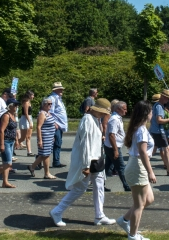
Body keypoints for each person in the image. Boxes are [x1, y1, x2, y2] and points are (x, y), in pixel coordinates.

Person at [49, 98, 115, 227]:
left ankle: (99, 216)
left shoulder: (96, 119)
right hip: (88, 160)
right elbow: (85, 144)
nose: (104, 115)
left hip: (96, 159)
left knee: (99, 186)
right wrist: (86, 165)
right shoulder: (88, 120)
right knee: (80, 188)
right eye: (103, 113)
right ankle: (57, 211)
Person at [117, 100, 156, 240]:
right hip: (138, 167)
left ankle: (124, 220)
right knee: (139, 204)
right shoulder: (141, 130)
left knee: (149, 199)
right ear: (147, 113)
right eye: (151, 111)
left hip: (137, 166)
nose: (152, 114)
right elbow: (143, 152)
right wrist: (150, 171)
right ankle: (133, 235)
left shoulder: (140, 128)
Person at [0, 98, 19, 190]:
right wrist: (1, 144)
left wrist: (16, 140)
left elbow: (14, 130)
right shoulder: (6, 116)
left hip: (11, 141)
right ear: (10, 106)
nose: (17, 107)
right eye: (15, 105)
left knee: (6, 163)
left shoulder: (13, 115)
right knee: (8, 164)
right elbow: (1, 131)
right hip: (5, 141)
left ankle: (5, 182)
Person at [148, 89, 169, 176]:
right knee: (165, 149)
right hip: (158, 131)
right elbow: (159, 120)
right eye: (167, 98)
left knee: (155, 149)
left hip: (156, 130)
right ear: (162, 96)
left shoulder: (159, 105)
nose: (168, 100)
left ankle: (142, 164)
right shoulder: (159, 106)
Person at [27, 97, 56, 179]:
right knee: (45, 155)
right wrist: (40, 140)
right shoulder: (42, 114)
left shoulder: (48, 113)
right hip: (44, 137)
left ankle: (32, 167)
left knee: (44, 155)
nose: (50, 105)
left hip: (49, 137)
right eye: (48, 104)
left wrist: (53, 136)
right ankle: (47, 173)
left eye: (51, 104)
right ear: (44, 104)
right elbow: (39, 127)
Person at [105, 101, 131, 191]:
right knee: (121, 167)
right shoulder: (114, 119)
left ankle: (99, 184)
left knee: (107, 167)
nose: (126, 111)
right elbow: (112, 135)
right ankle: (127, 186)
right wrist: (115, 150)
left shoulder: (117, 118)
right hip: (112, 147)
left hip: (111, 146)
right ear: (118, 109)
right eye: (124, 109)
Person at [49, 82, 68, 168]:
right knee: (56, 142)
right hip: (56, 124)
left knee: (57, 142)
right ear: (56, 90)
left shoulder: (58, 98)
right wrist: (54, 123)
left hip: (59, 124)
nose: (61, 91)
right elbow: (49, 112)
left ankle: (56, 160)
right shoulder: (53, 98)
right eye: (60, 89)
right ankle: (55, 161)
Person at [18, 91, 35, 156]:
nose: (33, 96)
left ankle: (29, 152)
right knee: (22, 138)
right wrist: (30, 122)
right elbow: (26, 113)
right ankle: (13, 146)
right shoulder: (26, 103)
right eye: (32, 95)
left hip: (29, 118)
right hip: (25, 119)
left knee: (28, 137)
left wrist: (30, 121)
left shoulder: (29, 102)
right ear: (29, 95)